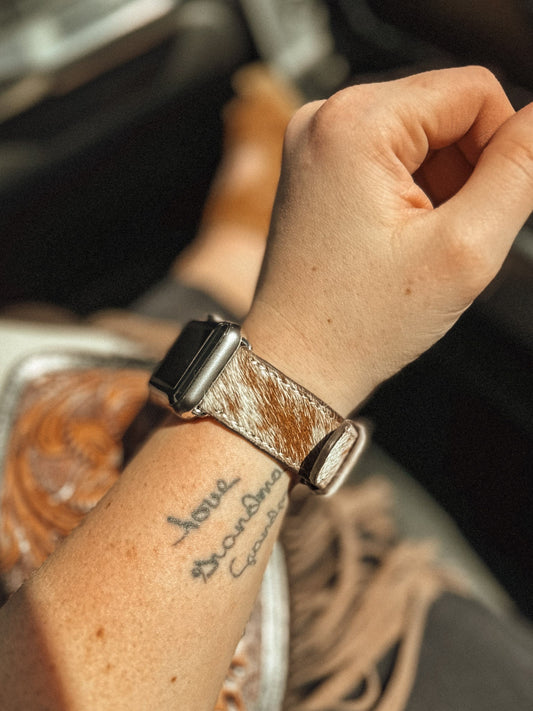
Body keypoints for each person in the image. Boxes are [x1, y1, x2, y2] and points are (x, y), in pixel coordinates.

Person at [0, 65, 532, 710]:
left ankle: (224, 272)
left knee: (103, 352)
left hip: (84, 394)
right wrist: (299, 355)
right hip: (315, 661)